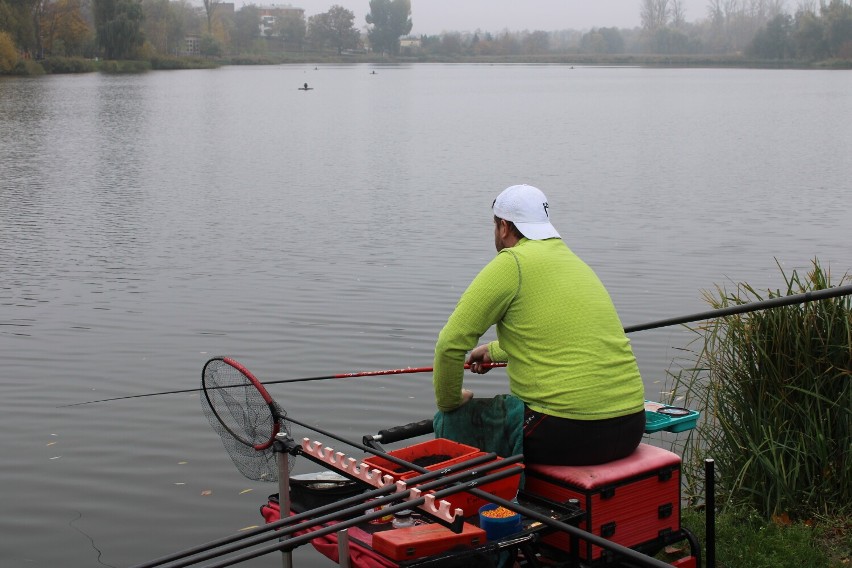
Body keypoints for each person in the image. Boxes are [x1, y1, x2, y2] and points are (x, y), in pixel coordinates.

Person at [432, 184, 645, 466]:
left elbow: (450, 345)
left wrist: (450, 402)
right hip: (630, 427)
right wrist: (494, 351)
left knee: (452, 419)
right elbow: (559, 338)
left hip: (566, 434)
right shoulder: (573, 261)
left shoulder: (511, 263)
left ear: (504, 227)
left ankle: (489, 504)